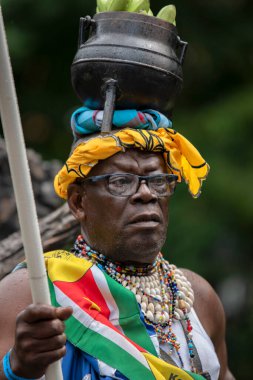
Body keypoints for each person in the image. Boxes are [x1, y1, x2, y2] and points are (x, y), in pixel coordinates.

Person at [0, 108, 235, 380]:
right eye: (121, 182)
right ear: (78, 202)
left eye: (158, 181)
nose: (146, 194)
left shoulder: (198, 298)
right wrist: (14, 367)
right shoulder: (33, 289)